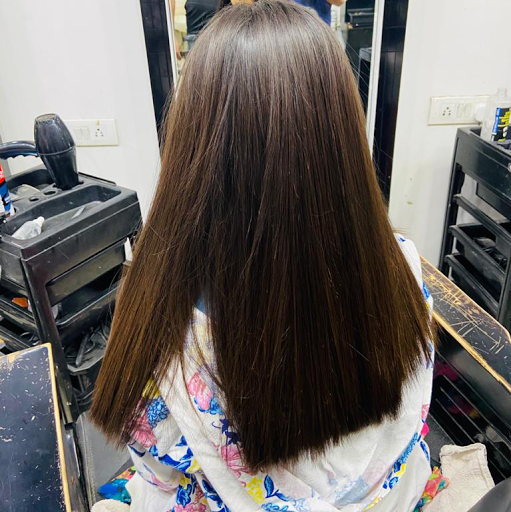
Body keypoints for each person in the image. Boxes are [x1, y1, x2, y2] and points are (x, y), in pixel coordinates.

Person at [90, 1, 435, 511]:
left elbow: (157, 477)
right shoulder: (402, 267)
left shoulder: (163, 331)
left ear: (195, 147)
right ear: (342, 138)